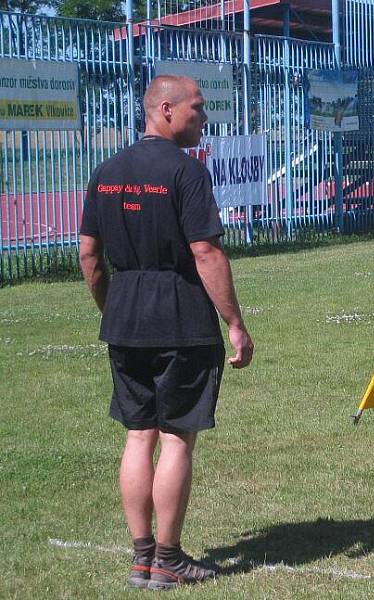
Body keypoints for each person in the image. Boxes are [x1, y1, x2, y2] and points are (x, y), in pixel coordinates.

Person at [78, 74, 254, 590]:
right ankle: (169, 557)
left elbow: (89, 254)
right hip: (181, 321)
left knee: (138, 436)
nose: (204, 117)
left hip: (125, 321)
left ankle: (141, 556)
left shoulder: (106, 171)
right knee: (176, 440)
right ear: (166, 109)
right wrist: (236, 324)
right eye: (198, 108)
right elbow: (206, 252)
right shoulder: (186, 173)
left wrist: (113, 307)